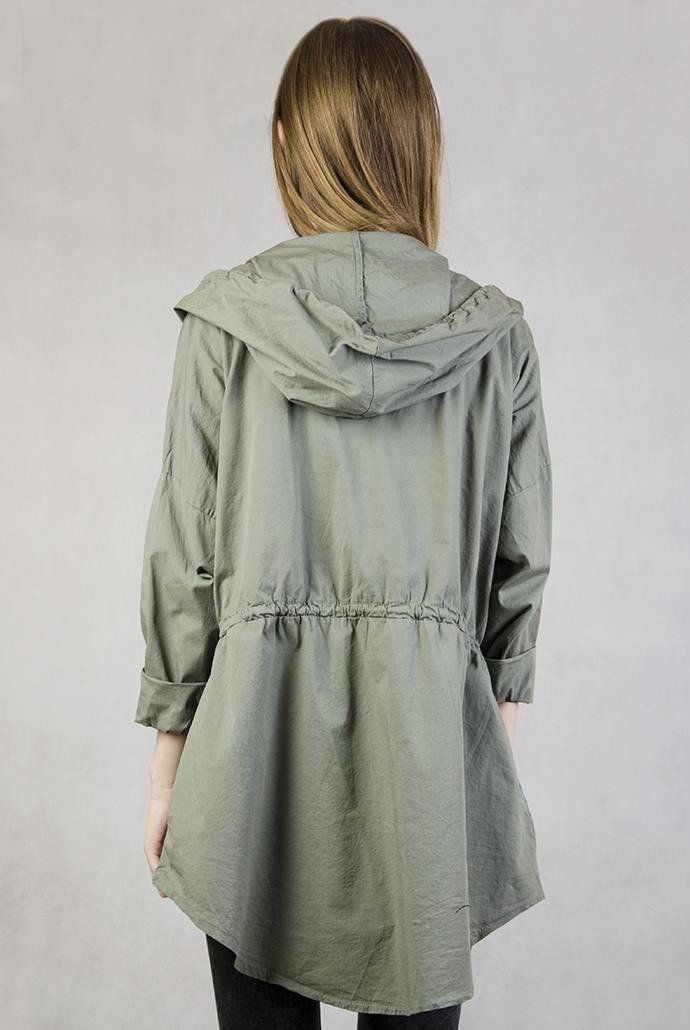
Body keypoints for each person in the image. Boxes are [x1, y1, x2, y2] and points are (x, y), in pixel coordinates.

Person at [134, 15, 553, 1030]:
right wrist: (486, 748)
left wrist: (168, 765)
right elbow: (520, 563)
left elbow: (185, 555)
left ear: (289, 144)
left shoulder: (225, 325)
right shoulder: (496, 338)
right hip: (429, 755)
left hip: (249, 750)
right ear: (421, 146)